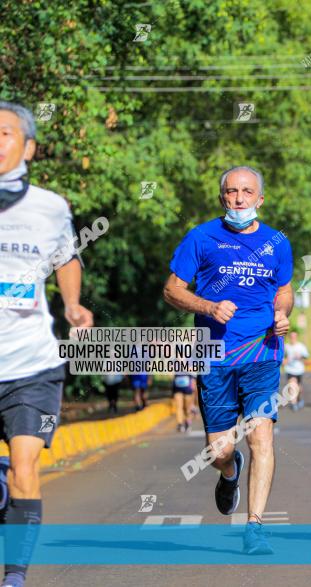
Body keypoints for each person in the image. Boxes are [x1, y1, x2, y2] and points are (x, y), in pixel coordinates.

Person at [163, 165, 293, 555]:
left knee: (261, 434)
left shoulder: (277, 242)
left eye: (247, 192)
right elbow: (172, 290)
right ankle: (230, 470)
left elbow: (283, 290)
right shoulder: (200, 237)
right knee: (218, 450)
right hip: (215, 355)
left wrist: (282, 313)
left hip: (262, 353)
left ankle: (254, 526)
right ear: (223, 197)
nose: (239, 199)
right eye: (232, 192)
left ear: (260, 199)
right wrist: (207, 305)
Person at [0, 102, 94, 587]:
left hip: (31, 363)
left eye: (4, 133)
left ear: (28, 146)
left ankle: (14, 575)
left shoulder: (49, 207)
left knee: (25, 464)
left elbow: (66, 256)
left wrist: (73, 305)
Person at [282, 331, 307, 411]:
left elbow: (306, 355)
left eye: (294, 337)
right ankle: (294, 403)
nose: (293, 338)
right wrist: (284, 361)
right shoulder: (287, 347)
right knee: (292, 385)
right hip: (290, 369)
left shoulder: (301, 346)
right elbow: (283, 356)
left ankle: (299, 399)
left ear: (296, 337)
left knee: (299, 387)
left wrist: (300, 356)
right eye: (291, 337)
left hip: (299, 370)